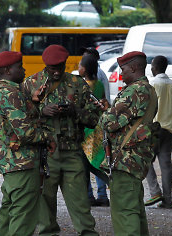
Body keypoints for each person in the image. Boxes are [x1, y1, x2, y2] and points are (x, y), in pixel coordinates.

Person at [22, 44, 100, 236]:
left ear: (66, 63)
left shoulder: (78, 83)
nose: (56, 72)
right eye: (52, 68)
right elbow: (18, 119)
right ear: (45, 65)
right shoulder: (31, 84)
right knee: (45, 207)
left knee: (81, 204)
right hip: (45, 154)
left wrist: (76, 112)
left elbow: (95, 118)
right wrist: (41, 110)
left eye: (60, 67)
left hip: (72, 152)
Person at [0, 51, 56, 235]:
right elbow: (25, 132)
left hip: (10, 162)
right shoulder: (12, 94)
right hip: (22, 163)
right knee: (23, 218)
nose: (24, 69)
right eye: (20, 66)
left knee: (9, 215)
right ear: (9, 70)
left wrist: (34, 104)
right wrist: (47, 137)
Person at [98, 51, 158, 235]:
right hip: (136, 160)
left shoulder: (134, 90)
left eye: (123, 69)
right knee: (135, 211)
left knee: (124, 213)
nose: (121, 73)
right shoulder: (148, 89)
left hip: (125, 160)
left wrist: (106, 113)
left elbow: (107, 123)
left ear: (133, 67)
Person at [145, 55, 172, 209]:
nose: (150, 68)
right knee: (166, 166)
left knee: (145, 159)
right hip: (169, 129)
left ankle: (154, 191)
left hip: (154, 129)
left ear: (155, 68)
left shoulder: (152, 84)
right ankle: (168, 200)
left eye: (151, 66)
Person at [78, 53, 110, 207]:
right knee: (97, 162)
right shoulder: (99, 84)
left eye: (79, 66)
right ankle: (103, 195)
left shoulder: (83, 86)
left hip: (86, 130)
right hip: (98, 129)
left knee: (84, 165)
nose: (78, 68)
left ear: (84, 69)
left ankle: (89, 196)